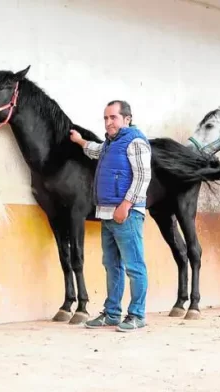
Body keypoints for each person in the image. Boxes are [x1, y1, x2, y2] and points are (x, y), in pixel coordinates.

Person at [69, 100, 151, 331]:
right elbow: (93, 149)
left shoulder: (135, 141)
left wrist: (126, 205)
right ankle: (112, 313)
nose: (108, 122)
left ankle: (137, 314)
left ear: (127, 118)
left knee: (134, 266)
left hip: (126, 214)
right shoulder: (108, 144)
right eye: (105, 118)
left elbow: (143, 177)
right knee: (112, 265)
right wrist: (79, 140)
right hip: (106, 214)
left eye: (113, 117)